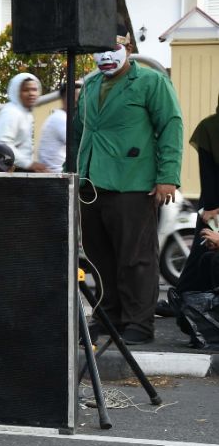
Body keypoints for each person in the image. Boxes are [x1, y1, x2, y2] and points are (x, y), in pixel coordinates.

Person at [77, 36, 183, 345]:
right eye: (99, 50)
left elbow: (171, 125)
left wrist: (168, 176)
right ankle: (108, 318)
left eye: (112, 49)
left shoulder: (151, 81)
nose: (105, 56)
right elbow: (80, 133)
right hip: (91, 184)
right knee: (100, 258)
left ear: (129, 49)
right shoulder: (91, 85)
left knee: (135, 258)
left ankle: (139, 323)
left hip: (133, 183)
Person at [0, 72, 47, 172]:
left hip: (17, 168)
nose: (31, 93)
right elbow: (3, 145)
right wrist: (29, 164)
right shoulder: (11, 112)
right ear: (16, 92)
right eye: (25, 90)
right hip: (6, 170)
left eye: (34, 89)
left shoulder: (25, 114)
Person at [190, 94, 219, 226]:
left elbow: (207, 171)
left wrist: (211, 207)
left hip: (213, 203)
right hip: (212, 202)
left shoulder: (209, 126)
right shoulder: (209, 127)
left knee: (207, 243)